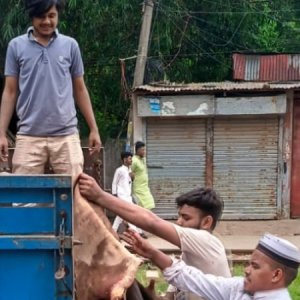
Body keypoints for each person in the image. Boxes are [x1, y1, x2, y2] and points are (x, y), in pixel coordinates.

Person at [78, 172, 231, 300]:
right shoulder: (187, 261)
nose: (179, 222)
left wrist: (100, 196)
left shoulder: (208, 242)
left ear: (206, 222)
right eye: (179, 216)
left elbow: (152, 222)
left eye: (186, 218)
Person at [0, 0, 101, 177]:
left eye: (51, 16)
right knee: (25, 200)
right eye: (41, 16)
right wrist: (1, 133)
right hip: (28, 136)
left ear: (57, 16)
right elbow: (10, 91)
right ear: (32, 16)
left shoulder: (70, 46)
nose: (47, 21)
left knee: (73, 194)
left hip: (66, 136)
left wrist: (94, 128)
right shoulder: (16, 46)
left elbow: (80, 89)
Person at [125, 231, 300, 300]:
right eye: (248, 264)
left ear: (276, 275)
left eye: (255, 266)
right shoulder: (239, 287)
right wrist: (153, 253)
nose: (246, 270)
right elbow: (195, 279)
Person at [111, 151, 141, 234]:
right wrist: (114, 194)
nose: (131, 160)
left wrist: (132, 177)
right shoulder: (119, 170)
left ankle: (113, 230)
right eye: (130, 159)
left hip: (128, 195)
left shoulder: (130, 170)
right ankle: (136, 231)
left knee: (121, 214)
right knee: (129, 212)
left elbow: (130, 182)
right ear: (124, 160)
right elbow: (114, 182)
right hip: (121, 195)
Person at [131, 141, 155, 210]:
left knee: (150, 205)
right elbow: (129, 173)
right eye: (142, 150)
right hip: (138, 190)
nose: (144, 151)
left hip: (145, 188)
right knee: (145, 208)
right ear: (138, 150)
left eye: (145, 150)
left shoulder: (143, 159)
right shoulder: (134, 160)